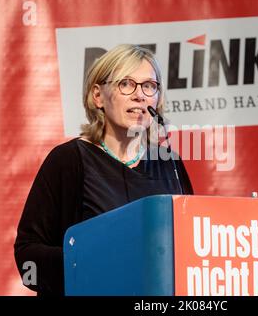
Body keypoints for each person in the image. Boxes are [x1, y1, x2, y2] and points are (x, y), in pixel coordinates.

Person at [14, 44, 194, 296]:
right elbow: (28, 257)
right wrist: (95, 263)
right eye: (126, 84)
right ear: (98, 96)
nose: (140, 95)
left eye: (149, 86)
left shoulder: (170, 164)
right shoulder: (68, 161)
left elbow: (191, 245)